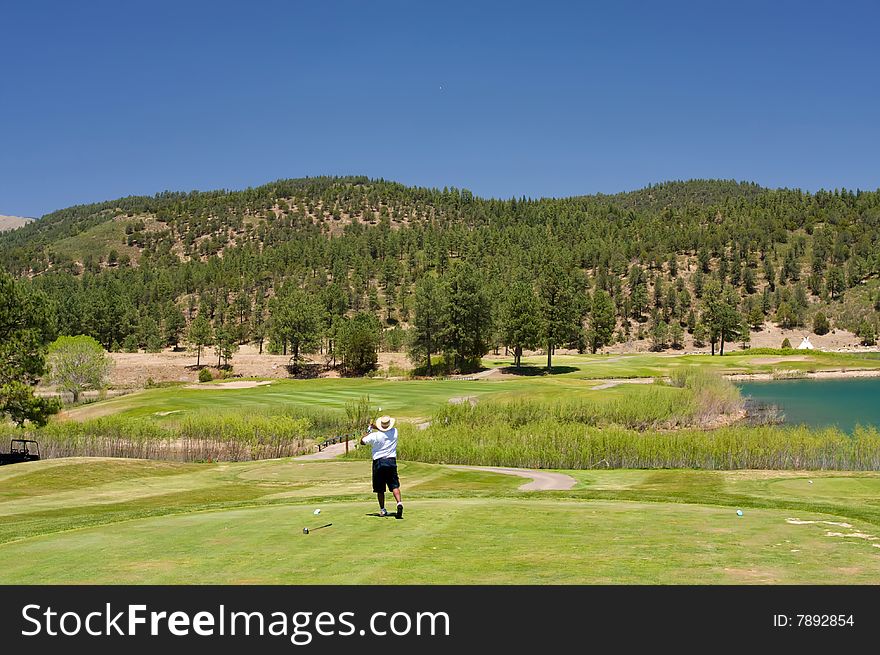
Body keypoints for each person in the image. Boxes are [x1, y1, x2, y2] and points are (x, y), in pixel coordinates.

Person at [361, 415, 403, 519]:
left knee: (380, 488)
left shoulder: (374, 436)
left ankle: (383, 510)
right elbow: (385, 430)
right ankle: (399, 503)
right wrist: (375, 427)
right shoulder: (395, 432)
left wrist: (369, 431)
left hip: (379, 462)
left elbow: (362, 442)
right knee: (394, 485)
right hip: (391, 462)